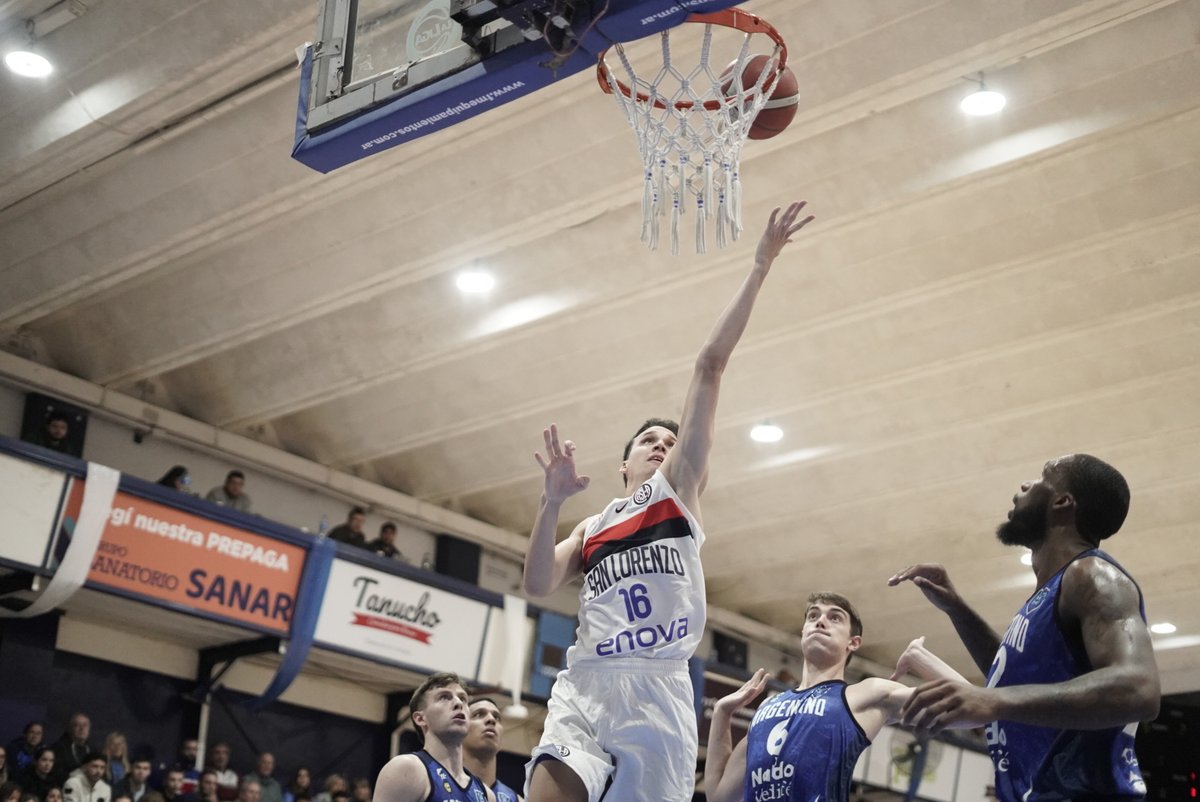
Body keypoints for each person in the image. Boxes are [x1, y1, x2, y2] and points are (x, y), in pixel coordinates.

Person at [520, 202, 814, 802]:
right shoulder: (595, 525)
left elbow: (709, 366)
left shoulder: (676, 492)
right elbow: (537, 584)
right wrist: (549, 505)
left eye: (671, 441)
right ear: (623, 465)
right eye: (648, 441)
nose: (663, 445)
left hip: (658, 690)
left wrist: (759, 266)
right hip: (589, 678)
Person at [888, 453, 1161, 802]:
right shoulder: (1048, 594)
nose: (1025, 485)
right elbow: (1015, 683)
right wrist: (957, 610)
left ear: (1062, 502)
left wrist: (992, 699)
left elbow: (1139, 688)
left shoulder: (1092, 575)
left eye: (1042, 477)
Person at [705, 592, 968, 802]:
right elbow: (719, 796)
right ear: (803, 633)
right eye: (813, 615)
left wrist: (921, 659)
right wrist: (722, 714)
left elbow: (973, 707)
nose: (820, 621)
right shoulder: (768, 707)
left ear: (853, 642)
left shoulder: (865, 694)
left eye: (835, 617)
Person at [372, 671, 493, 802]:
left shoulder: (486, 795)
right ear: (420, 718)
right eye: (444, 697)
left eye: (463, 698)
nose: (459, 703)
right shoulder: (407, 769)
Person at [463, 699, 520, 802]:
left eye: (497, 717)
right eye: (478, 714)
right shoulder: (437, 784)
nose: (491, 719)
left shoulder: (516, 800)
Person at [51, 714, 92, 785]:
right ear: (70, 729)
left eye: (85, 725)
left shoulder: (93, 749)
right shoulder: (59, 748)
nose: (82, 729)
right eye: (77, 725)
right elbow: (57, 774)